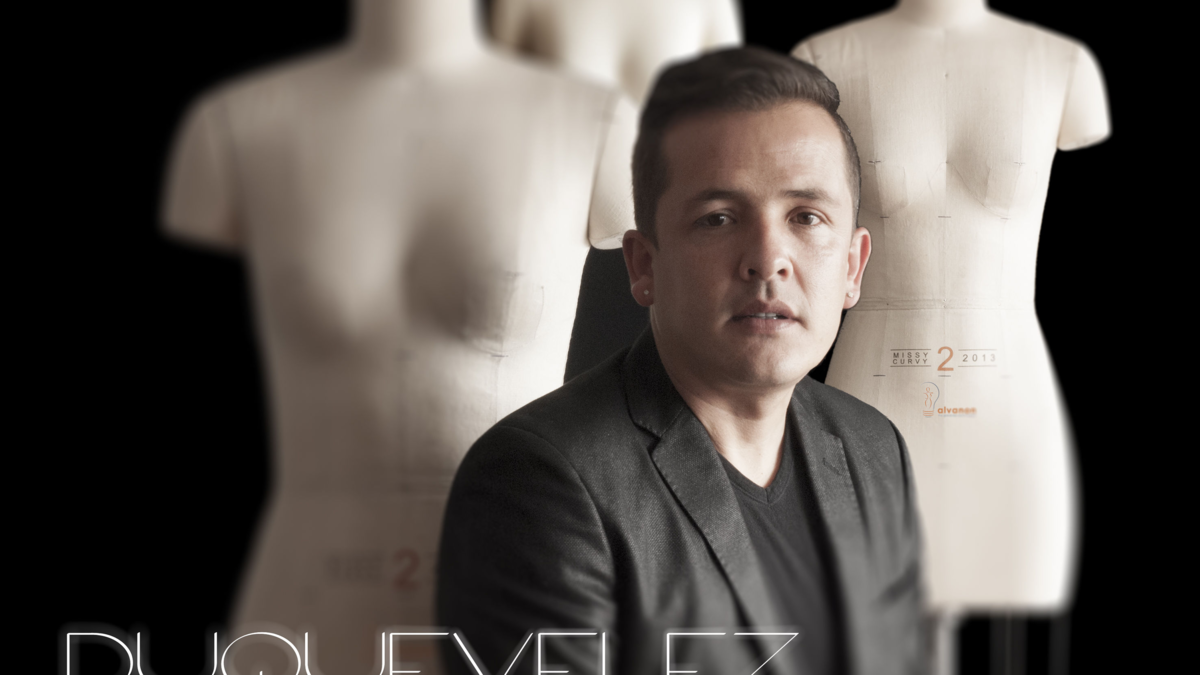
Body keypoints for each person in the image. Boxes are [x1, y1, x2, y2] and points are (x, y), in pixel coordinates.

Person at [437, 47, 925, 675]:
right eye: (718, 218)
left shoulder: (874, 449)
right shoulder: (539, 482)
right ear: (643, 265)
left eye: (806, 217)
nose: (768, 259)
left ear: (853, 267)